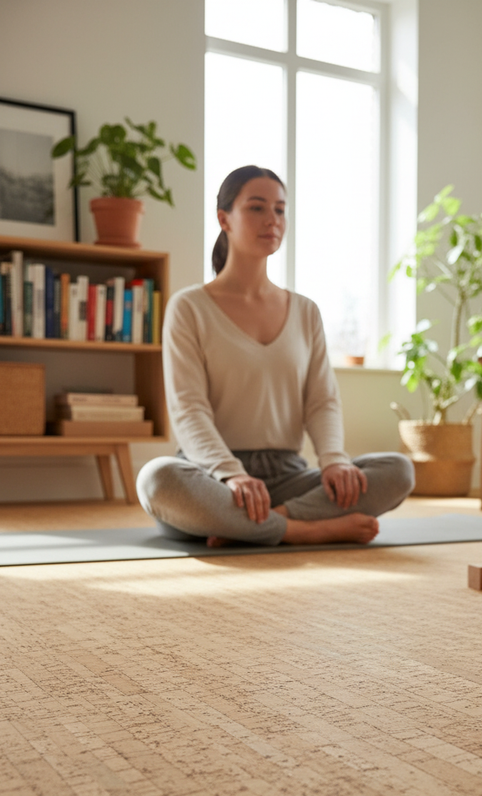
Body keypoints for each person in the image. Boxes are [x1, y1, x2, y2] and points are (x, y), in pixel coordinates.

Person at [136, 165, 414, 547]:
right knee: (157, 479)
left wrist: (334, 459)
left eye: (280, 210)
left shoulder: (305, 311)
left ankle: (252, 526)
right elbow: (188, 409)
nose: (272, 220)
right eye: (257, 208)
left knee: (398, 470)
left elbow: (321, 401)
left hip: (288, 477)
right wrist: (230, 473)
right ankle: (306, 530)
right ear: (224, 219)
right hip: (212, 475)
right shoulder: (189, 307)